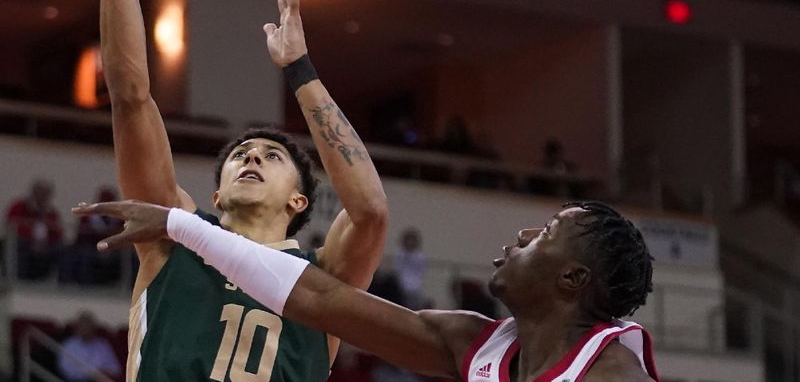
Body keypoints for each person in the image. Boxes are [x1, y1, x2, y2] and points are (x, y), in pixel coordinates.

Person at [99, 0, 388, 381]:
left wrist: (300, 70)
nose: (252, 158)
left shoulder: (323, 278)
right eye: (242, 154)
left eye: (271, 157)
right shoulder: (172, 240)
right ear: (215, 195)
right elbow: (130, 97)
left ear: (300, 203)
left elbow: (370, 212)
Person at [74, 199, 659, 382]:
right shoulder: (474, 344)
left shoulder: (610, 373)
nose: (527, 234)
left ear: (572, 279)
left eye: (548, 233)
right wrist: (183, 226)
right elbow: (320, 300)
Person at [6, 178, 63, 280]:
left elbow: (57, 232)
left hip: (45, 246)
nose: (43, 196)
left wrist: (46, 241)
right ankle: (17, 281)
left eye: (46, 194)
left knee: (63, 249)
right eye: (41, 193)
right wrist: (32, 238)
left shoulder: (51, 212)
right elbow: (12, 226)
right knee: (17, 246)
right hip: (24, 242)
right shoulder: (19, 206)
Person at [57, 311, 122, 382]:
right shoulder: (70, 344)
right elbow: (64, 368)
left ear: (94, 328)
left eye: (88, 326)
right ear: (77, 328)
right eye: (82, 326)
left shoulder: (103, 345)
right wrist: (88, 374)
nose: (85, 329)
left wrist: (101, 372)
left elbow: (116, 369)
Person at [392, 228, 427, 310]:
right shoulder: (400, 254)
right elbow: (397, 269)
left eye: (412, 240)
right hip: (401, 287)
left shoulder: (420, 256)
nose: (410, 243)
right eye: (408, 240)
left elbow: (420, 272)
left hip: (414, 288)